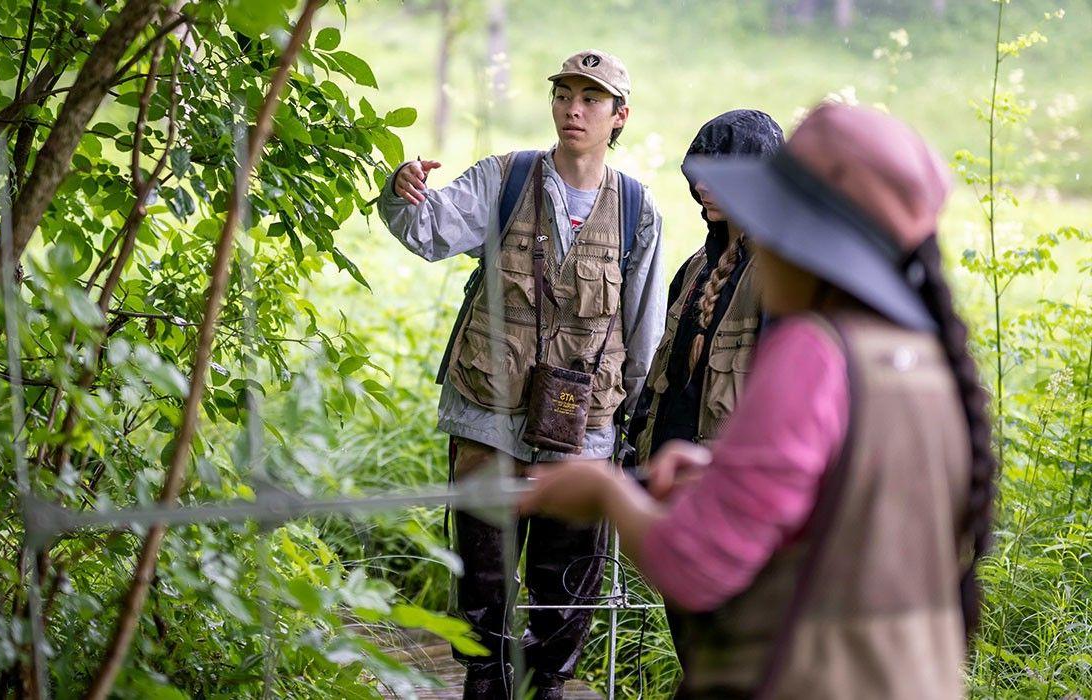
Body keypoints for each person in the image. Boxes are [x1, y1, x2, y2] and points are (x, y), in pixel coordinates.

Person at [522, 103, 995, 698]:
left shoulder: (814, 354)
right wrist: (724, 472)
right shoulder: (927, 358)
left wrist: (604, 492)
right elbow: (852, 511)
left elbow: (696, 565)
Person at [377, 50, 664, 699]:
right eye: (564, 94)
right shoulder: (504, 180)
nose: (573, 108)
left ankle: (549, 683)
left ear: (619, 116)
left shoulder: (638, 211)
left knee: (568, 577)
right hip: (489, 416)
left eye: (591, 99)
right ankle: (485, 678)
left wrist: (633, 430)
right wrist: (402, 190)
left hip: (583, 432)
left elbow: (643, 332)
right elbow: (423, 231)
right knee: (482, 572)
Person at [625, 110, 784, 470]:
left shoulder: (778, 280)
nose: (702, 187)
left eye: (717, 175)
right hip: (659, 481)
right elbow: (657, 386)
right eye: (698, 174)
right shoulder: (695, 269)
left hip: (722, 490)